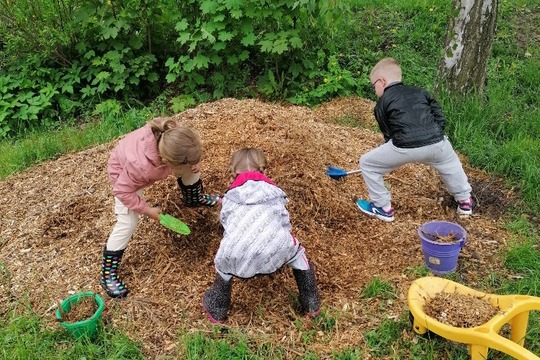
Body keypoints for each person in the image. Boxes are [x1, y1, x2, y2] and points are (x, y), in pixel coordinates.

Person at [100, 117, 219, 298]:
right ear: (166, 161)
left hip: (157, 162)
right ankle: (107, 273)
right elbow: (122, 191)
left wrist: (193, 163)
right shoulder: (139, 167)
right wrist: (147, 210)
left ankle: (194, 198)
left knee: (192, 167)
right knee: (127, 222)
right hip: (124, 178)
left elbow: (186, 157)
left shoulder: (174, 137)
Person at [202, 147, 320, 323]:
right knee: (299, 255)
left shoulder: (229, 198)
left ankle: (217, 307)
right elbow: (284, 220)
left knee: (223, 262)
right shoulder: (275, 193)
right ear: (264, 170)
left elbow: (226, 224)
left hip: (236, 252)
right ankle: (311, 303)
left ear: (233, 173)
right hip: (278, 247)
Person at [356, 57, 474, 222]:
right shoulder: (420, 92)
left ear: (382, 81)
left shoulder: (382, 103)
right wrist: (435, 133)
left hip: (404, 145)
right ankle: (464, 201)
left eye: (373, 84)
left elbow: (388, 132)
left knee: (368, 163)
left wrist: (395, 155)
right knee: (451, 164)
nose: (374, 88)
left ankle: (383, 208)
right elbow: (438, 115)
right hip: (436, 143)